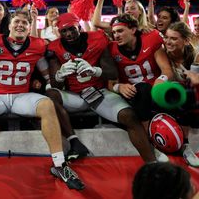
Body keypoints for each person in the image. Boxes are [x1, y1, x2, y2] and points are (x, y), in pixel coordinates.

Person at [0, 10, 85, 195]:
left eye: (25, 23)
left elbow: (46, 73)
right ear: (9, 25)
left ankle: (59, 165)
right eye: (16, 21)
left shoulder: (37, 45)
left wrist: (51, 84)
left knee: (47, 105)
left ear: (30, 27)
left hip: (22, 97)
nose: (20, 25)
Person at [46, 12, 157, 163]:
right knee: (51, 94)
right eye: (64, 31)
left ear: (79, 26)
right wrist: (60, 75)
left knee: (129, 116)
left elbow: (112, 73)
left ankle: (152, 162)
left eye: (72, 29)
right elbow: (55, 84)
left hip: (99, 91)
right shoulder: (55, 47)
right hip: (75, 95)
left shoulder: (97, 38)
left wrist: (95, 70)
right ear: (59, 32)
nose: (69, 34)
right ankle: (74, 142)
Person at [108, 13, 174, 161]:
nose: (116, 35)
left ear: (133, 30)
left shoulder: (151, 39)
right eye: (113, 32)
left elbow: (167, 71)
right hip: (134, 95)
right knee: (142, 90)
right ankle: (149, 143)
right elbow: (110, 83)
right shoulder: (111, 49)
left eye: (120, 31)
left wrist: (161, 81)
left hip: (156, 90)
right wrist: (120, 87)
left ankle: (184, 145)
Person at [163, 22, 199, 166]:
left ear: (186, 40)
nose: (168, 42)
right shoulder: (161, 53)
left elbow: (196, 81)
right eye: (167, 38)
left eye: (173, 38)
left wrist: (193, 76)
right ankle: (184, 144)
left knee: (190, 90)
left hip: (189, 99)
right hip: (168, 95)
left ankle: (185, 145)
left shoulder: (196, 55)